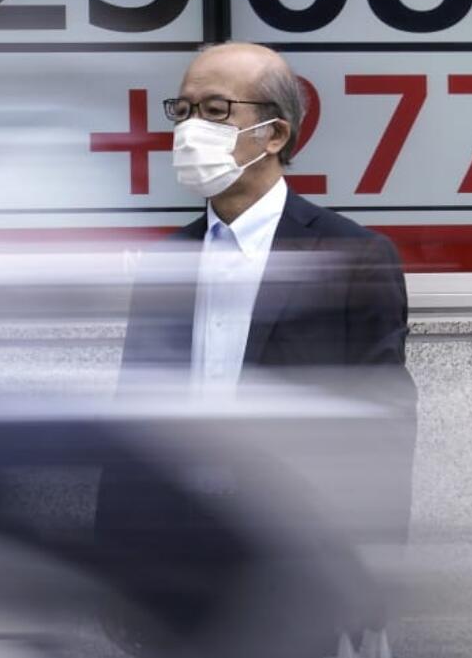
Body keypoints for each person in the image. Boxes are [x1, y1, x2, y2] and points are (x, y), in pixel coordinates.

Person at [96, 42, 416, 657]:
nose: (192, 129)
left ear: (274, 135)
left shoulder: (351, 258)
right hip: (176, 570)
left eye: (216, 110)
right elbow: (132, 421)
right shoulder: (167, 261)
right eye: (183, 109)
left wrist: (372, 585)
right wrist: (116, 567)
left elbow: (383, 431)